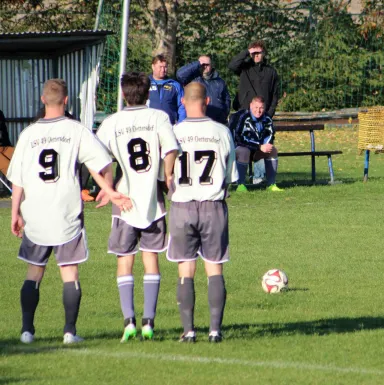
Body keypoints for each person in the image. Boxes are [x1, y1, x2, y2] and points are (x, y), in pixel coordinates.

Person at [6, 78, 131, 345]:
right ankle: (69, 332)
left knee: (34, 272)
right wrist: (107, 190)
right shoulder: (76, 130)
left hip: (35, 212)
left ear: (43, 101)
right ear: (65, 101)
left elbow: (16, 179)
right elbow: (102, 162)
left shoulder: (28, 134)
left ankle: (27, 332)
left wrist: (14, 213)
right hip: (66, 211)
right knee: (69, 272)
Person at [95, 72, 179, 341]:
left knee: (125, 261)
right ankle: (148, 323)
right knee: (151, 258)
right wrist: (168, 176)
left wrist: (107, 189)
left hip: (124, 200)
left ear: (123, 94)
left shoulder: (111, 122)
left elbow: (99, 159)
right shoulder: (158, 117)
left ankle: (129, 321)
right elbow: (171, 149)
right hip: (152, 200)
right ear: (148, 94)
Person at [166, 82, 237, 343]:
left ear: (183, 102)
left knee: (186, 269)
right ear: (206, 101)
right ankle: (215, 331)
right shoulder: (222, 131)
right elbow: (230, 175)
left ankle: (189, 331)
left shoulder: (173, 132)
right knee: (214, 269)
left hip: (183, 205)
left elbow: (168, 174)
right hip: (213, 205)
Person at [228, 40, 280, 184]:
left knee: (265, 147)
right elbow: (232, 66)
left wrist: (269, 114)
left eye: (259, 52)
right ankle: (239, 179)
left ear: (264, 53)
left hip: (263, 117)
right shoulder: (244, 68)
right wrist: (247, 52)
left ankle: (259, 177)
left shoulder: (271, 72)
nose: (257, 55)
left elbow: (275, 94)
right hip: (245, 115)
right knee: (244, 147)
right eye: (254, 53)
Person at [35, 106, 95, 202]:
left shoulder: (66, 115)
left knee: (85, 157)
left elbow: (75, 126)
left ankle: (81, 189)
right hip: (51, 152)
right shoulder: (42, 115)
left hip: (64, 149)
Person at [232, 96, 282, 192]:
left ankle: (271, 184)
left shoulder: (267, 119)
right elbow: (239, 138)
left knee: (273, 150)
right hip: (241, 150)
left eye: (261, 108)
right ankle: (241, 184)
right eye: (256, 107)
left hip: (258, 151)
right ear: (251, 106)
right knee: (244, 151)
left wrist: (266, 146)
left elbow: (270, 135)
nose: (258, 111)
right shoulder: (243, 117)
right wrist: (258, 146)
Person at [176, 55, 231, 125]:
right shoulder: (192, 79)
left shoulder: (220, 82)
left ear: (211, 65)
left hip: (217, 122)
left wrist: (223, 116)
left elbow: (227, 100)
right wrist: (197, 64)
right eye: (202, 65)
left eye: (207, 65)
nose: (204, 67)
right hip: (195, 122)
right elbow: (180, 75)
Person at [148, 54, 186, 125]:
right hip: (149, 128)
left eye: (165, 67)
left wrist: (181, 124)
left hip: (169, 127)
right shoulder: (145, 83)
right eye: (160, 67)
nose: (163, 70)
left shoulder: (175, 85)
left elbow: (182, 106)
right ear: (153, 67)